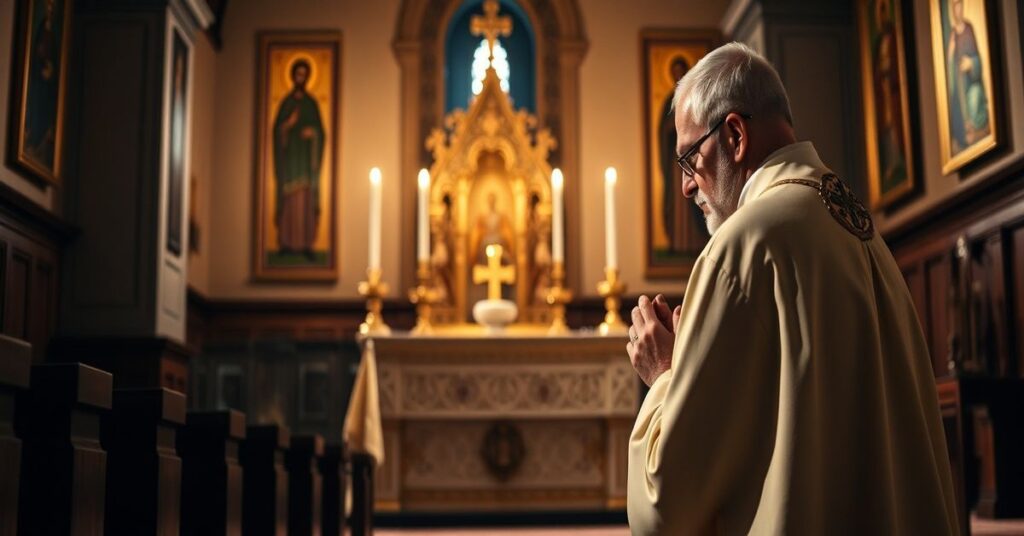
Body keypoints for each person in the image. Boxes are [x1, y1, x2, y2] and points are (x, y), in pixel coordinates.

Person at [625, 42, 958, 535]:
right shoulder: (856, 223)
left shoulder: (743, 244)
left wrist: (665, 377)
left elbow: (665, 505)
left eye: (691, 158)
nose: (687, 187)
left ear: (735, 135)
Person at [273, 59, 325, 260]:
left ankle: (305, 243)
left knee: (304, 202)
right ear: (293, 77)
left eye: (304, 75)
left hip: (305, 163)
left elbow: (321, 132)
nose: (300, 78)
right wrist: (288, 125)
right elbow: (277, 131)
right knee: (289, 203)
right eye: (298, 75)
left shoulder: (311, 104)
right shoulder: (286, 103)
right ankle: (286, 242)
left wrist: (313, 133)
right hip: (289, 163)